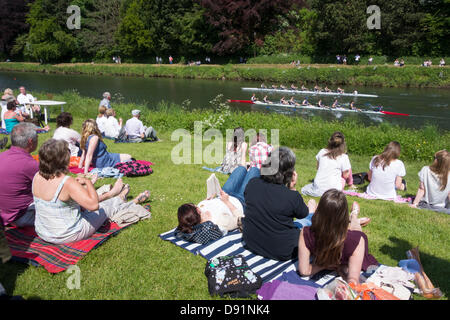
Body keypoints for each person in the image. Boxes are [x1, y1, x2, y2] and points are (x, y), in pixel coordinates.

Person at [32, 139, 150, 244]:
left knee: (84, 205)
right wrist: (88, 183)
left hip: (43, 231)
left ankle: (117, 197)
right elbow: (94, 206)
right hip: (67, 234)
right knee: (104, 207)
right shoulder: (66, 182)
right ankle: (123, 199)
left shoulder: (37, 176)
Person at [242, 147, 317, 261]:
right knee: (311, 219)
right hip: (281, 250)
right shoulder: (292, 196)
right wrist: (292, 188)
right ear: (289, 173)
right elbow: (303, 213)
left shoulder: (252, 183)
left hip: (251, 241)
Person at [298, 189, 378, 284]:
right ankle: (354, 217)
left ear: (319, 210)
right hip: (349, 238)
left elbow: (304, 271)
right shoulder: (356, 240)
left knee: (356, 232)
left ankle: (354, 216)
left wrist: (323, 265)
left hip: (343, 237)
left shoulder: (306, 232)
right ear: (344, 216)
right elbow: (353, 280)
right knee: (356, 232)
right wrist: (330, 266)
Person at [175, 165, 261, 244]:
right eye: (194, 205)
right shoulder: (219, 222)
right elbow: (241, 219)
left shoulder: (199, 211)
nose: (196, 205)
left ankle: (246, 166)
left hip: (223, 194)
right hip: (240, 200)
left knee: (240, 169)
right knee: (254, 170)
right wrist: (227, 202)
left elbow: (206, 203)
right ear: (197, 211)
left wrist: (209, 199)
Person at [0, 123, 39, 227]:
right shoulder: (30, 164)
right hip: (21, 216)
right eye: (37, 137)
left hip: (2, 213)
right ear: (30, 141)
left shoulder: (2, 156)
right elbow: (53, 186)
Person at [301, 132, 354, 197]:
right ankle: (350, 184)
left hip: (318, 187)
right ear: (343, 144)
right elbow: (345, 176)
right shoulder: (344, 157)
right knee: (343, 177)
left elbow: (318, 168)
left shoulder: (322, 151)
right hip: (334, 190)